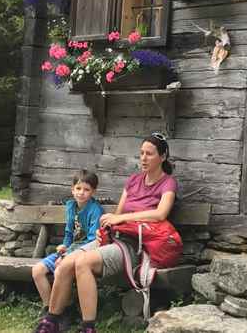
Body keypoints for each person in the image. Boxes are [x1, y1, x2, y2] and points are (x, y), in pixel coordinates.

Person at [34, 133, 178, 333]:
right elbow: (117, 215)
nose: (143, 158)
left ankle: (88, 328)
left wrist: (121, 218)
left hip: (136, 245)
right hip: (115, 238)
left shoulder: (168, 183)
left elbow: (161, 214)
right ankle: (53, 320)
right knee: (66, 263)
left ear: (162, 157)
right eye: (141, 153)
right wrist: (108, 223)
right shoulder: (133, 181)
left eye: (150, 154)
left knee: (83, 263)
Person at [31, 170, 103, 311]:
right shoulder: (71, 206)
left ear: (93, 192)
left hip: (83, 253)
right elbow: (69, 232)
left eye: (86, 189)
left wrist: (66, 256)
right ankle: (49, 309)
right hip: (68, 251)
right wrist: (64, 245)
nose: (81, 192)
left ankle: (63, 309)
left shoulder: (95, 210)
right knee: (37, 270)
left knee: (60, 270)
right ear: (72, 189)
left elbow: (92, 241)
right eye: (78, 188)